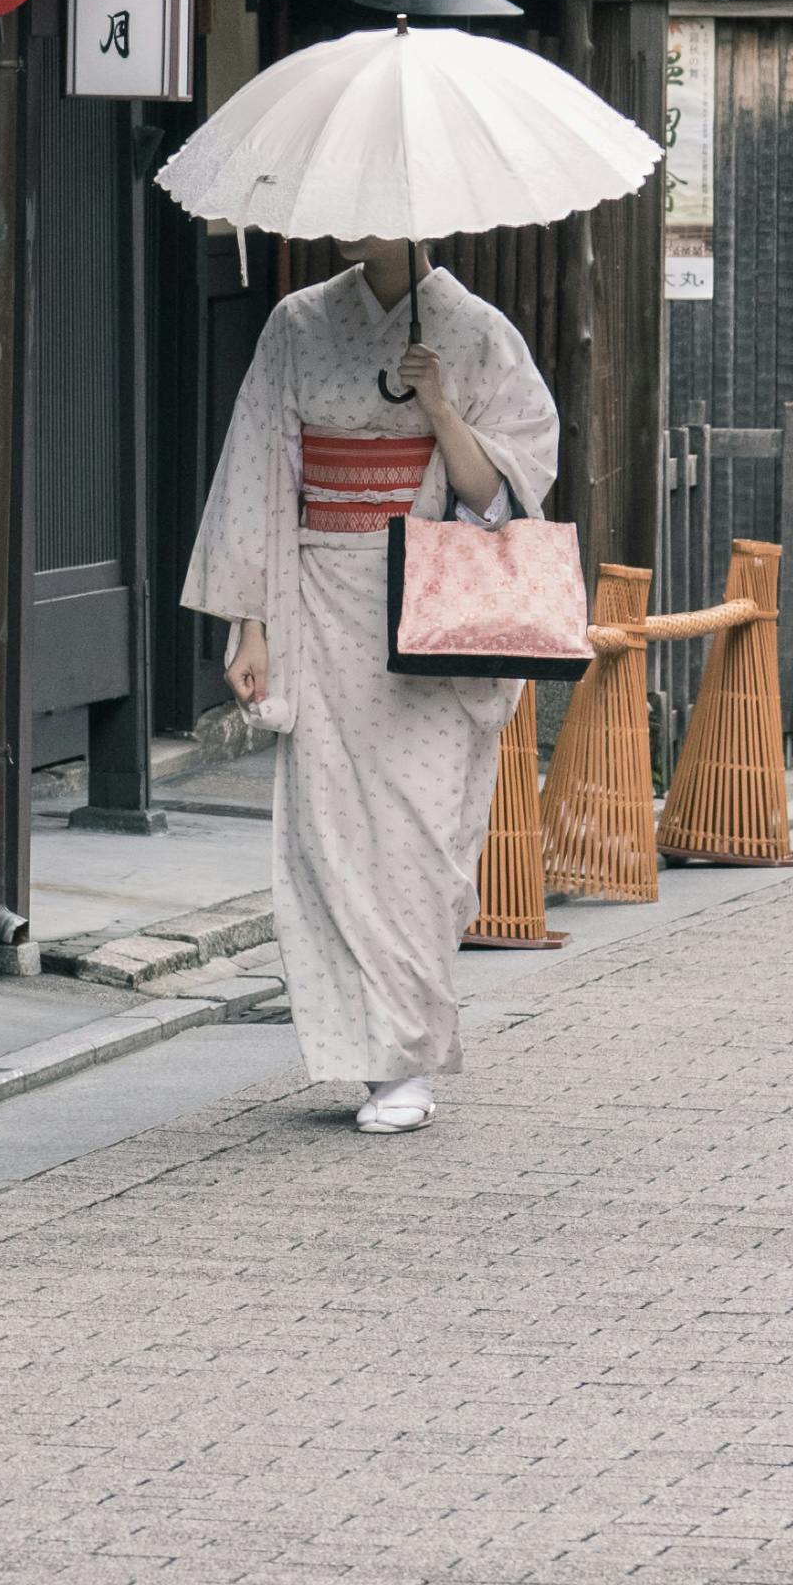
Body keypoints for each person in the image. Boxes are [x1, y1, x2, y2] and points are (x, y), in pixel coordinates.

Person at [182, 240, 561, 1134]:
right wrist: (252, 621)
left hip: (431, 607)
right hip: (318, 596)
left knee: (424, 842)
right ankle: (371, 1059)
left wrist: (439, 408)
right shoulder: (296, 322)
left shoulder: (475, 332)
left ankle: (409, 1056)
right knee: (330, 835)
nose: (359, 225)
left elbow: (501, 500)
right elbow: (259, 473)